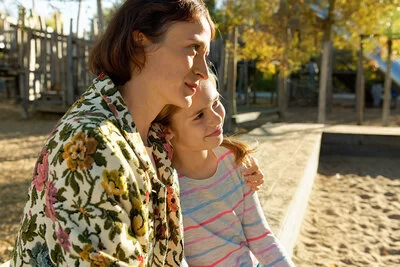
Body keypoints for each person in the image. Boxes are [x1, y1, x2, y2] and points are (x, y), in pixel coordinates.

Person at [9, 1, 265, 266]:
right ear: (140, 42)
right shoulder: (91, 144)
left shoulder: (152, 134)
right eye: (193, 48)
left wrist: (238, 158)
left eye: (205, 53)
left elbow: (197, 156)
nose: (203, 70)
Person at [154, 73, 295, 266]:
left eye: (215, 103)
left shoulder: (236, 163)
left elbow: (262, 238)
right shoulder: (165, 184)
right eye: (199, 115)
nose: (215, 118)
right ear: (167, 130)